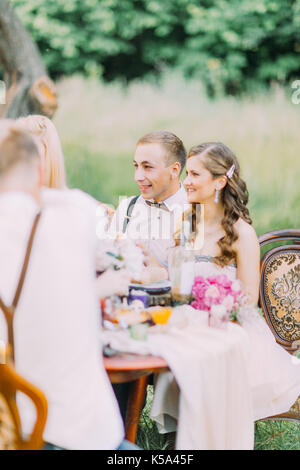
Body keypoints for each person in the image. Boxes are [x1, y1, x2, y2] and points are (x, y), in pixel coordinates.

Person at [0, 120, 135, 450]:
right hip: (86, 433)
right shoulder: (78, 212)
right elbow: (125, 252)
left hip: (17, 427)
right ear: (37, 168)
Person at [150, 141, 300, 439]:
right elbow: (176, 277)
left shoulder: (241, 233)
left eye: (194, 175)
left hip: (229, 325)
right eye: (187, 174)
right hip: (186, 320)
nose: (186, 182)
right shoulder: (188, 222)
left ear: (219, 181)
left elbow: (246, 299)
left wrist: (212, 308)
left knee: (202, 356)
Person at [108, 130, 189, 281]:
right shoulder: (127, 207)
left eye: (148, 167)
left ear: (174, 170)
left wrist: (156, 269)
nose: (137, 177)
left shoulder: (193, 214)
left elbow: (194, 281)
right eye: (136, 166)